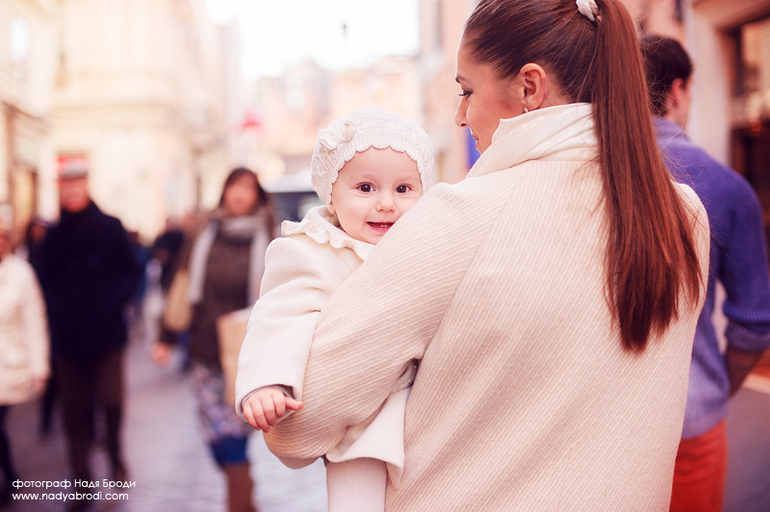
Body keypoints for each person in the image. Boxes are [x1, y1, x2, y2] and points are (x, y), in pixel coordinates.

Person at [257, 1, 711, 510]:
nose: (459, 114)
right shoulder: (684, 215)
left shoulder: (460, 216)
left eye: (466, 90)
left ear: (529, 87)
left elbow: (297, 423)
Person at [236, 108, 433, 512]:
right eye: (365, 187)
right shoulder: (312, 253)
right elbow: (280, 317)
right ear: (330, 193)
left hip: (426, 417)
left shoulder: (426, 246)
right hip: (359, 435)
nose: (385, 204)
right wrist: (268, 384)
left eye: (403, 189)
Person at [640, 34, 770, 512]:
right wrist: (715, 388)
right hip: (691, 422)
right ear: (677, 91)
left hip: (593, 424)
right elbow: (755, 327)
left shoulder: (583, 176)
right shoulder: (728, 187)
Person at [153, 167, 274, 512]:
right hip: (204, 346)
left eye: (247, 188)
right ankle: (243, 482)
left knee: (234, 433)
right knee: (213, 434)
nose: (238, 194)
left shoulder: (269, 235)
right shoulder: (206, 230)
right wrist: (166, 336)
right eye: (233, 187)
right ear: (223, 192)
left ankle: (238, 501)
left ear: (257, 195)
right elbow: (181, 280)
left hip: (245, 351)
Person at [37, 165, 139, 511]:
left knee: (111, 401)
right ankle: (81, 481)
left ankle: (115, 455)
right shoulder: (52, 236)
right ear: (60, 190)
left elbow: (130, 272)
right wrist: (59, 308)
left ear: (86, 186)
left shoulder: (110, 227)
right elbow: (45, 281)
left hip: (107, 333)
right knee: (74, 411)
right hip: (68, 338)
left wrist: (113, 301)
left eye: (77, 183)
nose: (72, 190)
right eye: (66, 184)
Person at [0, 209, 50, 506]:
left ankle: (11, 479)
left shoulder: (21, 274)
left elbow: (35, 322)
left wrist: (39, 368)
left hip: (9, 365)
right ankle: (11, 476)